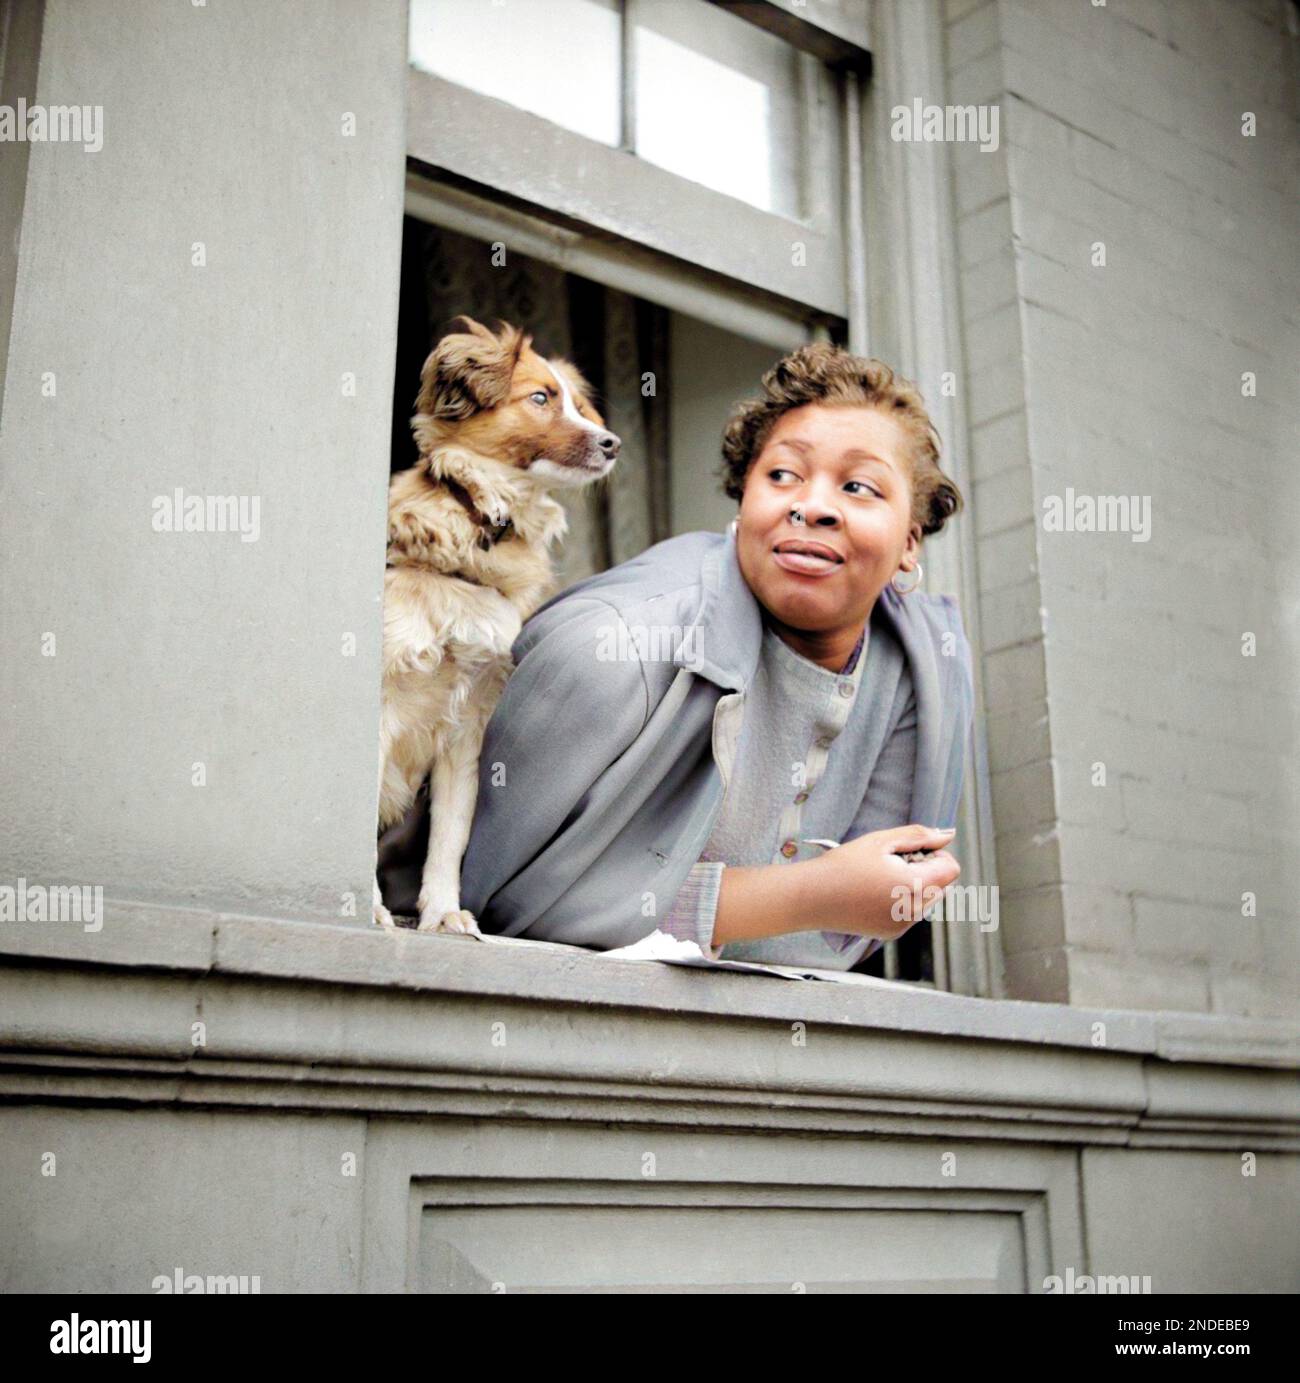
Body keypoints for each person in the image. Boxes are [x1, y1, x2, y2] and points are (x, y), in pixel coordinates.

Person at [376, 341, 974, 970]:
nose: (812, 505)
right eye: (782, 476)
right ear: (744, 500)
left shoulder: (927, 673)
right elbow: (503, 901)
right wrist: (806, 895)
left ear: (910, 542)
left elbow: (837, 941)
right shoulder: (612, 646)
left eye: (858, 486)